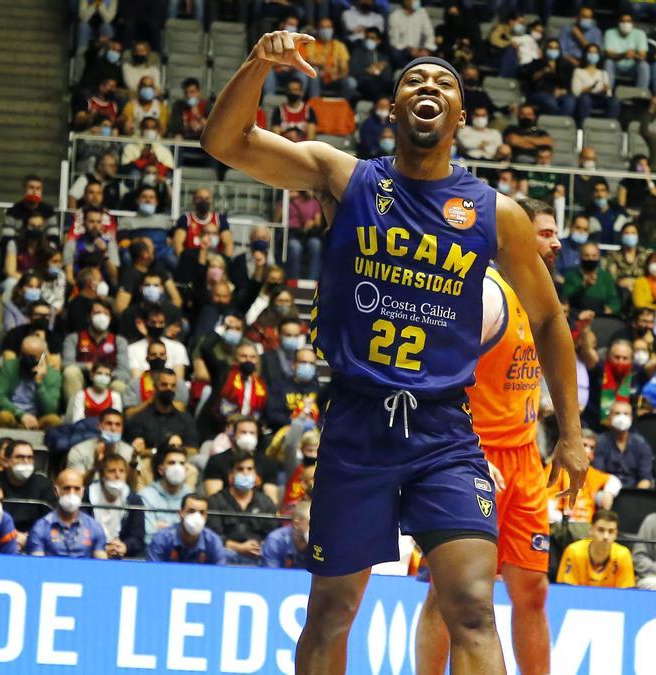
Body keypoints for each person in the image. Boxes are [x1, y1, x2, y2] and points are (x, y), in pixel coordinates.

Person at [201, 40, 586, 675]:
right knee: (330, 610)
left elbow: (547, 318)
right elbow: (225, 141)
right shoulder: (344, 176)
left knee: (471, 609)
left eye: (445, 82)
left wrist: (569, 433)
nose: (429, 87)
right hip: (357, 422)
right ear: (392, 107)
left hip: (444, 430)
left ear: (461, 115)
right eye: (415, 81)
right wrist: (262, 62)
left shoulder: (497, 214)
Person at [416, 195, 565, 675]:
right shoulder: (486, 293)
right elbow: (431, 375)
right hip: (472, 456)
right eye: (545, 233)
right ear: (518, 235)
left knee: (533, 590)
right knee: (452, 590)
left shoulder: (540, 299)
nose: (557, 242)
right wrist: (468, 452)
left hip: (524, 458)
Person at [207, 450, 278, 565]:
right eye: (240, 469)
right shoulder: (216, 501)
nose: (245, 473)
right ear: (231, 475)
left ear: (255, 475)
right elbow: (213, 536)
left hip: (257, 555)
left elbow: (272, 535)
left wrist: (258, 547)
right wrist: (240, 547)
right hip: (227, 554)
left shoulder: (266, 502)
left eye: (249, 469)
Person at [26, 468, 109, 559]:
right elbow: (37, 565)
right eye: (67, 488)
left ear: (82, 491)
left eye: (77, 489)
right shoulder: (41, 528)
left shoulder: (94, 527)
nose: (71, 493)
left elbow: (102, 564)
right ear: (56, 491)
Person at [84, 452, 145, 559]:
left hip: (122, 552)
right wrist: (100, 547)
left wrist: (125, 546)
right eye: (112, 471)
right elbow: (82, 529)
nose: (118, 475)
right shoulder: (88, 495)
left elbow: (137, 536)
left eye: (122, 471)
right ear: (102, 475)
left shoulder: (134, 499)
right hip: (92, 552)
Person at [556, 510, 635, 588]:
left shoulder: (623, 555)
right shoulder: (573, 551)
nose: (606, 536)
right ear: (591, 530)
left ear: (616, 534)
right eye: (601, 530)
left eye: (611, 531)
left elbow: (626, 594)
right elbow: (566, 590)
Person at [146, 493, 225, 564]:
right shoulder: (161, 539)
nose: (197, 517)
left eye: (201, 513)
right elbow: (152, 573)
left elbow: (220, 575)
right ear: (180, 513)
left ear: (206, 516)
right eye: (191, 511)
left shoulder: (213, 542)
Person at [137, 445, 191, 542]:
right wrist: (180, 531)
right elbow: (148, 537)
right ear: (161, 469)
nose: (177, 467)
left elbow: (194, 536)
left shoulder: (192, 498)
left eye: (181, 463)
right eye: (172, 463)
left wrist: (163, 529)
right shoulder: (145, 496)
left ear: (186, 469)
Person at [263, 499, 312, 568]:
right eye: (311, 523)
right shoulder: (276, 540)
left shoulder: (321, 544)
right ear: (296, 524)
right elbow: (271, 574)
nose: (316, 528)